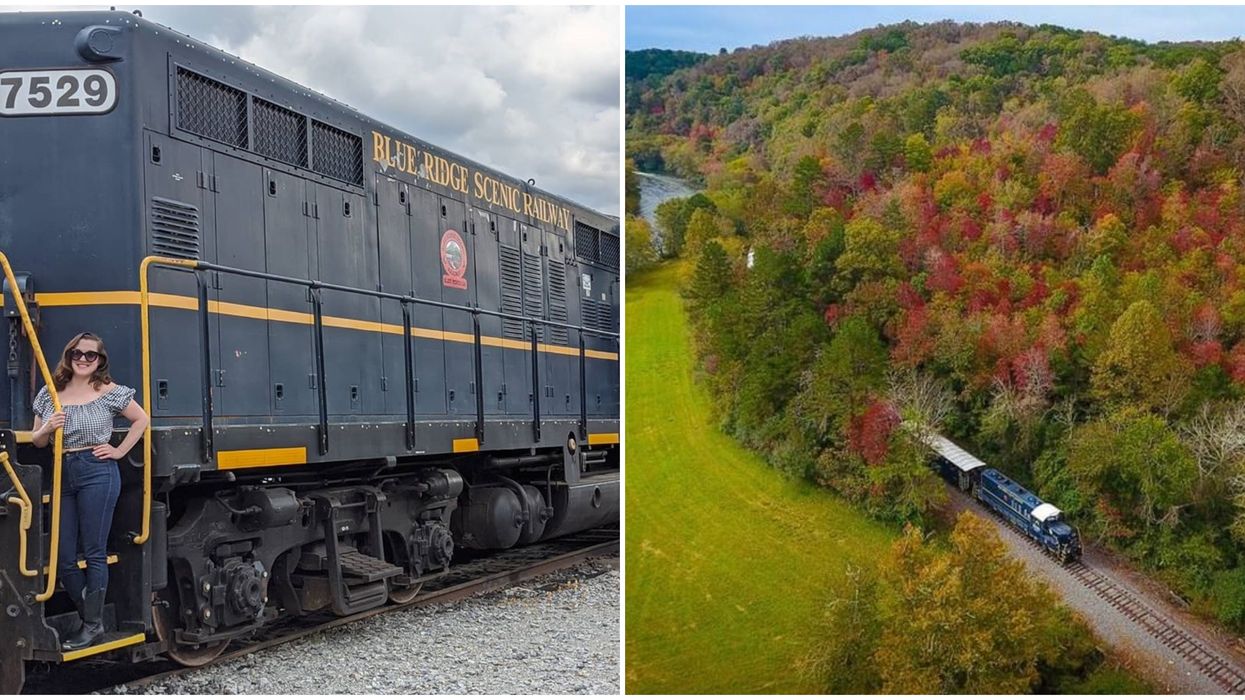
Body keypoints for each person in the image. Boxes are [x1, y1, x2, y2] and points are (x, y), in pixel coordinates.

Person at [30, 332, 149, 651]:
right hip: (62, 471)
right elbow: (37, 440)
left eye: (90, 355)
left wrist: (119, 451)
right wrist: (47, 428)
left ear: (100, 360)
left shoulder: (109, 391)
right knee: (65, 555)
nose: (83, 359)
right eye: (77, 354)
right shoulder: (50, 393)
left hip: (98, 471)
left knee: (94, 550)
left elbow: (141, 419)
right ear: (68, 356)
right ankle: (90, 617)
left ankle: (93, 626)